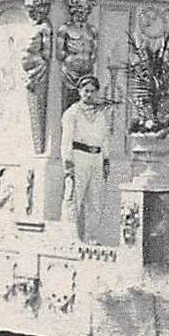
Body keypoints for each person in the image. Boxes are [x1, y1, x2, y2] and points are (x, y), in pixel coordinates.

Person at [60, 76, 112, 238]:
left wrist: (106, 160)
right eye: (86, 91)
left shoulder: (101, 114)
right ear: (79, 92)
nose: (89, 95)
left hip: (96, 157)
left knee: (96, 200)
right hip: (79, 156)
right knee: (74, 198)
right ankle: (69, 238)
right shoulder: (72, 113)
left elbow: (105, 139)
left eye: (92, 91)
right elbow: (66, 140)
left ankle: (91, 238)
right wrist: (68, 165)